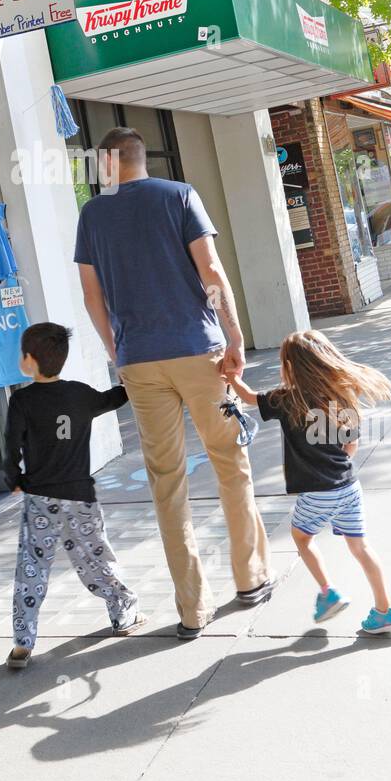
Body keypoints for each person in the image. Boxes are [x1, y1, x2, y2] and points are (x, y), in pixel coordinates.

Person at [75, 127, 274, 641]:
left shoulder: (92, 215)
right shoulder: (180, 195)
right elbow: (210, 269)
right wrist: (233, 333)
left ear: (109, 164)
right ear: (142, 158)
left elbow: (91, 297)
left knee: (167, 482)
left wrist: (114, 349)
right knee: (231, 463)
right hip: (198, 351)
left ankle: (192, 609)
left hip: (140, 361)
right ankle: (250, 580)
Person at [227, 329, 391, 634]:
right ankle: (385, 611)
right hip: (349, 486)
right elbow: (351, 447)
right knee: (361, 547)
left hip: (318, 492)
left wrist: (231, 377)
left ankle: (328, 593)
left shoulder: (286, 399)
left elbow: (247, 397)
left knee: (301, 538)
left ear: (290, 365)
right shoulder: (341, 396)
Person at [4, 322, 145, 669]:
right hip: (80, 496)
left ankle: (23, 642)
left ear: (30, 361)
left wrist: (14, 479)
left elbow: (9, 447)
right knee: (96, 558)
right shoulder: (80, 394)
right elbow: (113, 398)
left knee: (32, 568)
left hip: (40, 499)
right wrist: (131, 377)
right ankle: (123, 611)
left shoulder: (21, 401)